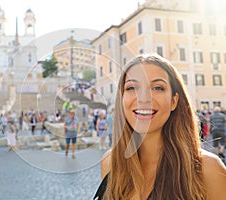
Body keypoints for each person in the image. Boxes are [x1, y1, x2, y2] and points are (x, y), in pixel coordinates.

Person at [94, 54, 226, 200]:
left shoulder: (209, 170)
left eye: (157, 87)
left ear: (174, 101)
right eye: (132, 87)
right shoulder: (110, 162)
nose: (144, 97)